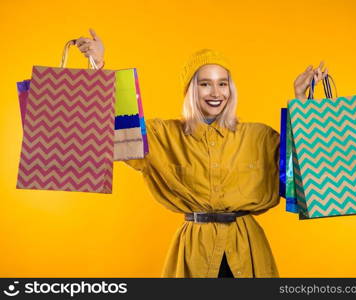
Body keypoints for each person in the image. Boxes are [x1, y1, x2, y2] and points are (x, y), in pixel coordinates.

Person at [75, 29, 328, 278]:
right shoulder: (163, 136)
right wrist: (98, 67)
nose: (216, 93)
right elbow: (113, 130)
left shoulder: (259, 136)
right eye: (204, 84)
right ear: (190, 90)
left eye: (222, 83)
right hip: (194, 254)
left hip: (249, 252)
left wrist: (301, 101)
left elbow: (302, 176)